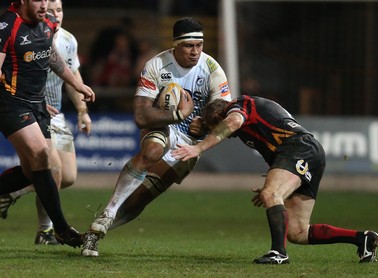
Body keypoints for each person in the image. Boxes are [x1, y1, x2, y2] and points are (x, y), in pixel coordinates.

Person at [81, 17, 231, 257]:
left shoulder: (212, 68)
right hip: (165, 126)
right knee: (152, 151)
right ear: (175, 45)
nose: (195, 52)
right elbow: (141, 116)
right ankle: (108, 212)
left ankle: (94, 233)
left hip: (190, 143)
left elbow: (222, 113)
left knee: (140, 199)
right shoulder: (157, 65)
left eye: (199, 45)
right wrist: (177, 114)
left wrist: (203, 126)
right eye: (188, 46)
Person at [171, 95, 378, 264]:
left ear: (219, 115)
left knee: (272, 194)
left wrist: (197, 147)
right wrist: (271, 186)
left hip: (299, 148)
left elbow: (233, 121)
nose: (222, 133)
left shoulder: (239, 105)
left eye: (213, 126)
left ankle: (278, 253)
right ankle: (362, 238)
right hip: (308, 152)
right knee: (298, 231)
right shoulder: (249, 127)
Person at [0, 0, 95, 248]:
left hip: (39, 106)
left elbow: (52, 57)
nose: (45, 6)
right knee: (43, 157)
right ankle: (60, 229)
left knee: (38, 171)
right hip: (11, 104)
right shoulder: (6, 27)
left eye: (47, 0)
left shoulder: (46, 25)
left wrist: (76, 84)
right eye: (38, 0)